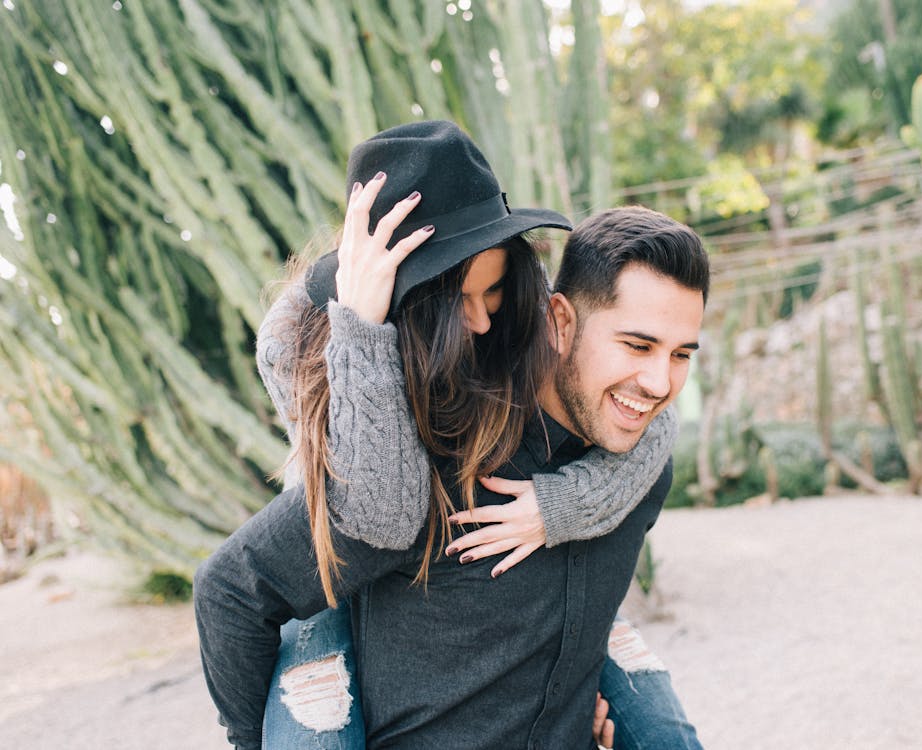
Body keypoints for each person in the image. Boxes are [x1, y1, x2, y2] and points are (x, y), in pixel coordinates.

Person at [194, 121, 706, 748]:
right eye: (636, 345)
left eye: (681, 354)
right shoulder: (423, 450)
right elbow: (232, 591)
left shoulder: (637, 459)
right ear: (562, 319)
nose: (658, 382)